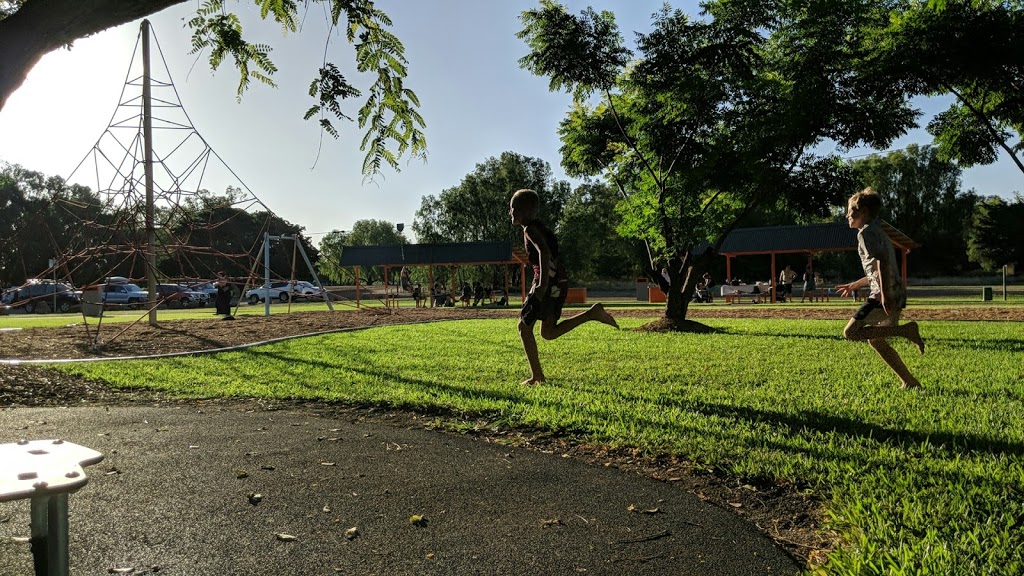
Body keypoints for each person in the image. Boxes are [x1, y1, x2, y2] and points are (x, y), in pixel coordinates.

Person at [510, 188, 619, 386]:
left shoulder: (530, 229)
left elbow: (544, 252)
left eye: (513, 208)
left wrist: (541, 284)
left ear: (525, 210)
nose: (510, 212)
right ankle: (591, 314)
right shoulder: (541, 227)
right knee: (548, 332)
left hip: (547, 283)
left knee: (524, 328)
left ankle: (537, 377)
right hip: (558, 282)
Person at [835, 187, 925, 390]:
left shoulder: (866, 233)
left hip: (885, 294)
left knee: (850, 332)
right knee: (876, 340)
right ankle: (909, 382)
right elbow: (875, 269)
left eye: (850, 210)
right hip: (895, 291)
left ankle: (906, 330)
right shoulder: (877, 231)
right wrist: (855, 285)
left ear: (864, 212)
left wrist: (884, 296)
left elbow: (883, 262)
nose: (847, 214)